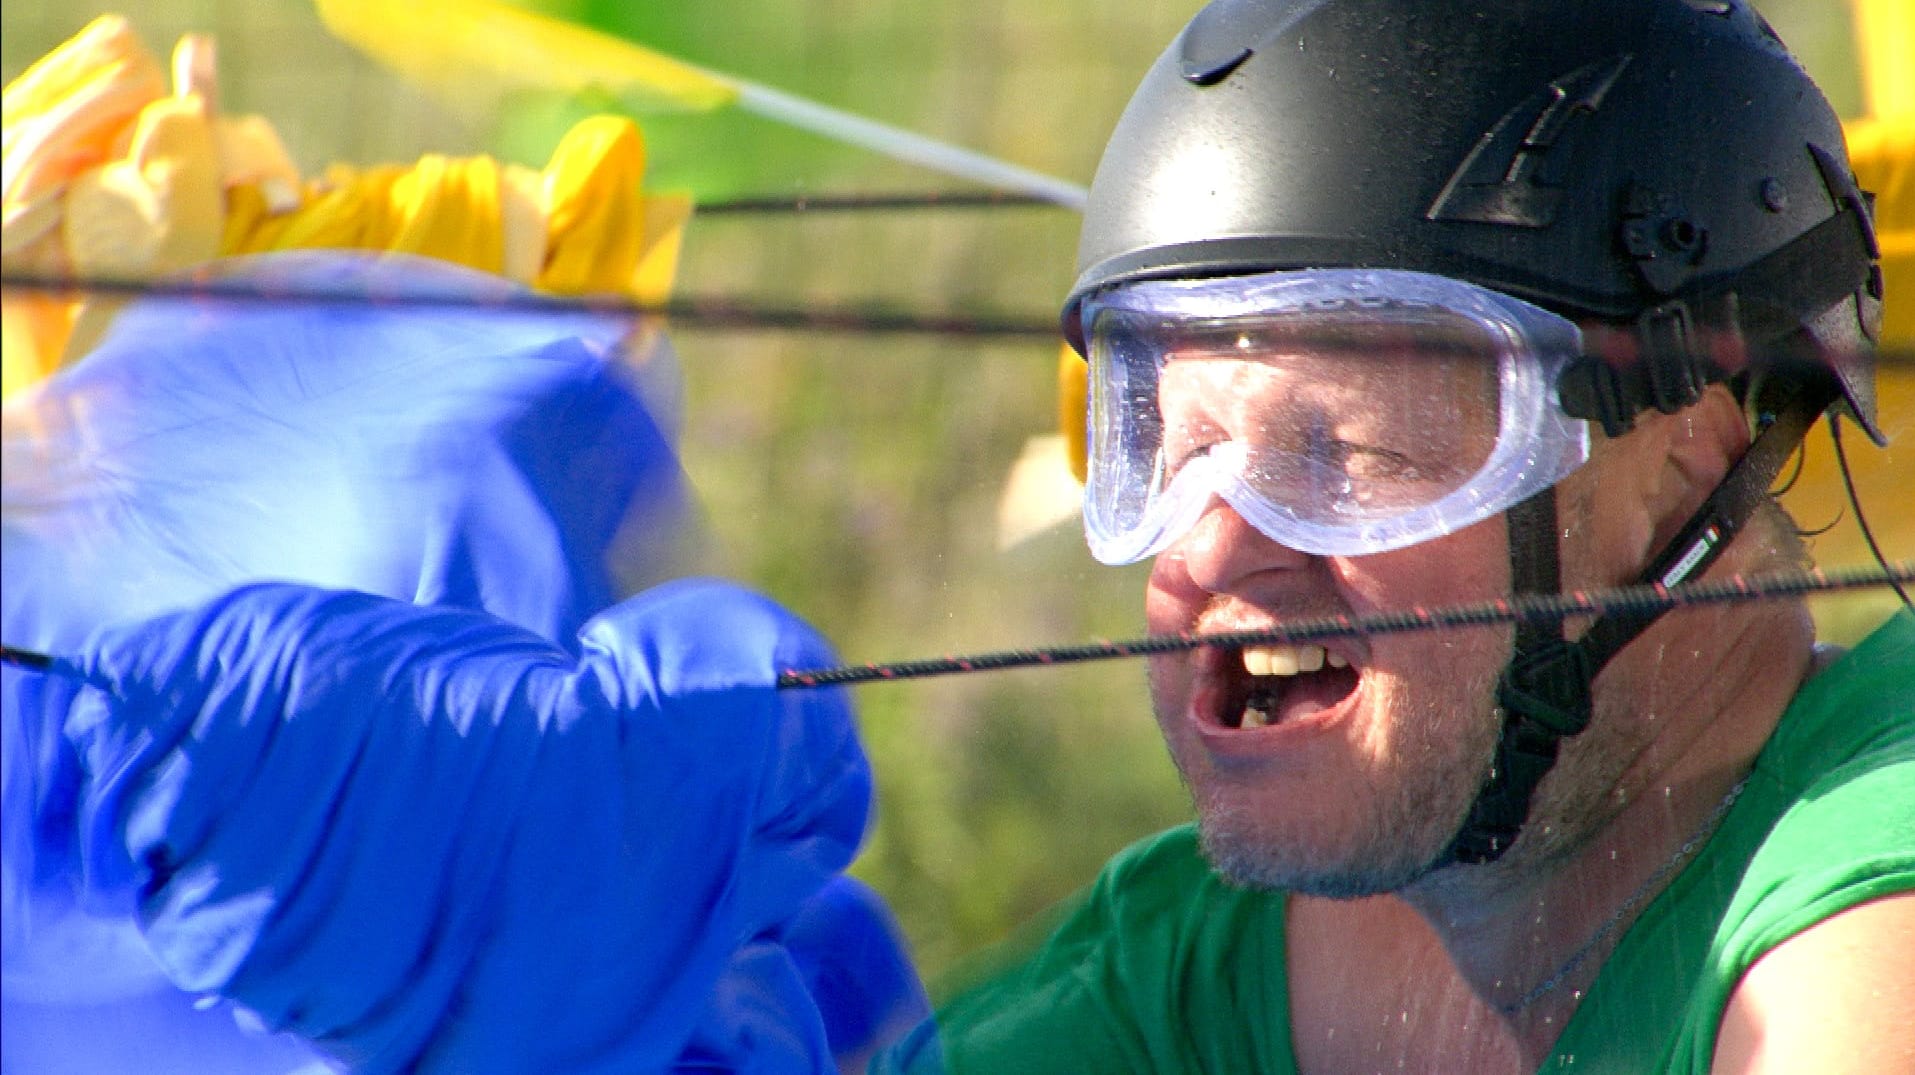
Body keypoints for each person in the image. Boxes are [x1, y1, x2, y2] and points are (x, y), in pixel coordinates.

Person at [871, 0, 1912, 1071]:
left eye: (1354, 452)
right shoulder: (1177, 979)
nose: (1213, 556)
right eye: (1174, 451)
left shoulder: (1876, 911)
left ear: (1678, 466)